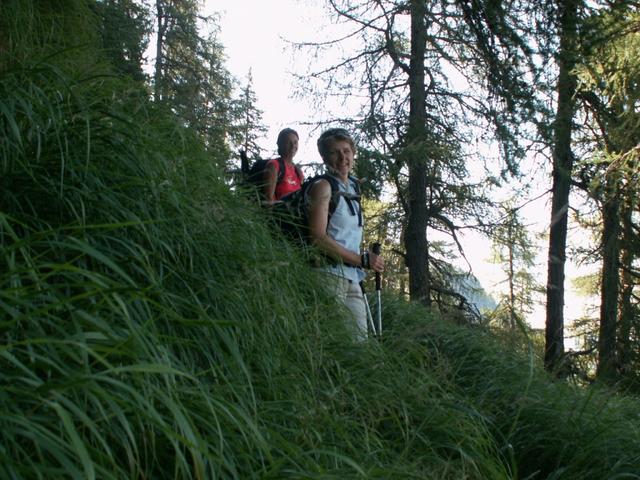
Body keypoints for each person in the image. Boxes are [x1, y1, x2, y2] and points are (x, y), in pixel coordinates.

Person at [307, 128, 384, 339]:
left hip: (351, 276)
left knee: (359, 346)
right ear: (325, 158)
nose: (343, 158)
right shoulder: (323, 187)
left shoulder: (352, 187)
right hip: (326, 275)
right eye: (335, 152)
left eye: (347, 151)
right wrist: (361, 260)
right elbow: (317, 238)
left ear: (353, 153)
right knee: (330, 342)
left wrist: (364, 260)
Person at [263, 128, 304, 202]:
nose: (293, 145)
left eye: (295, 142)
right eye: (288, 142)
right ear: (280, 145)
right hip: (279, 208)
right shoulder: (274, 166)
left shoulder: (298, 172)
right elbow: (268, 199)